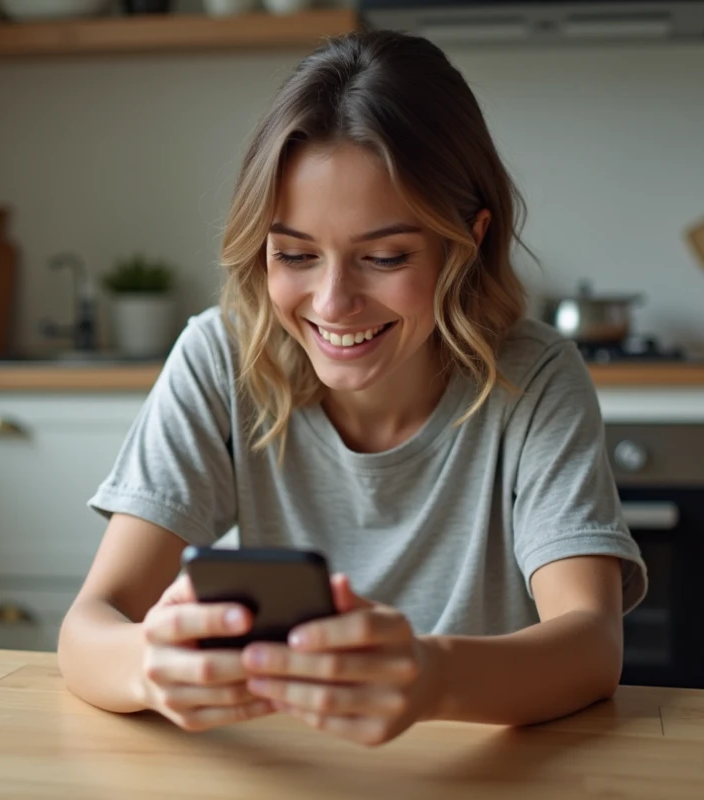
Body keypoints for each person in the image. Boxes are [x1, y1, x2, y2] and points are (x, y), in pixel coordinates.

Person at [58, 29, 647, 747]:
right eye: (295, 254)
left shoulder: (537, 380)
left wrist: (432, 676)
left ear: (468, 240)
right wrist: (150, 666)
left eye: (385, 256)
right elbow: (90, 625)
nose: (333, 304)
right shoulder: (221, 357)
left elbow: (591, 645)